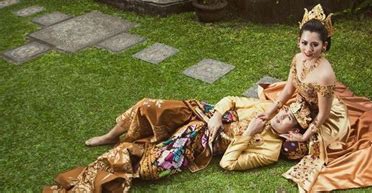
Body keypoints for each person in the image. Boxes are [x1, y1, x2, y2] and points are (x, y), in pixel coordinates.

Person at [256, 4, 372, 193]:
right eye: (304, 43)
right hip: (304, 105)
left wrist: (304, 137)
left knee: (311, 146)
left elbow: (323, 114)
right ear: (299, 41)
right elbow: (289, 89)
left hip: (328, 117)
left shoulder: (325, 74)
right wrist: (270, 112)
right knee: (274, 121)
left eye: (314, 44)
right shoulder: (298, 58)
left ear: (324, 46)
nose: (308, 49)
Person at [43, 96, 306, 192]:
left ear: (290, 132)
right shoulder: (265, 108)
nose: (279, 114)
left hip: (201, 142)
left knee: (152, 166)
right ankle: (111, 135)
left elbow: (228, 163)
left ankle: (106, 169)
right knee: (150, 106)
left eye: (285, 119)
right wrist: (215, 117)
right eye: (283, 111)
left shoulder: (270, 152)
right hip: (202, 113)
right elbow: (230, 100)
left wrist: (248, 133)